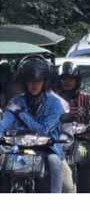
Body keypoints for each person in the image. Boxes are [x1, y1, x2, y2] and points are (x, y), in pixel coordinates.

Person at [0, 54, 66, 193]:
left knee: (55, 162)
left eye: (38, 81)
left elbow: (44, 130)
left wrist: (21, 114)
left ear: (45, 82)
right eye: (30, 81)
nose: (34, 85)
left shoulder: (55, 103)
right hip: (17, 147)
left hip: (48, 148)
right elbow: (4, 123)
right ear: (24, 82)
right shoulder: (17, 101)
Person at [56, 61, 90, 193]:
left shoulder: (86, 98)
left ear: (77, 80)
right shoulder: (53, 98)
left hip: (80, 139)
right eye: (64, 79)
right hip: (57, 139)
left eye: (71, 79)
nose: (67, 82)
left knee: (85, 158)